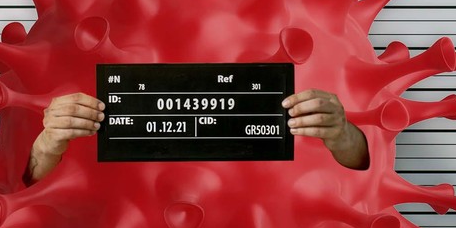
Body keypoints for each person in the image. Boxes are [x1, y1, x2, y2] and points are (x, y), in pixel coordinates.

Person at [27, 89, 369, 183]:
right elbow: (26, 181)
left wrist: (343, 134)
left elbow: (365, 165)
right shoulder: (76, 79)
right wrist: (46, 145)